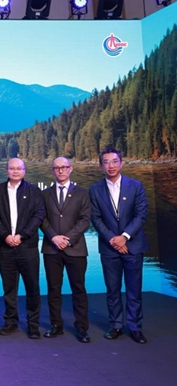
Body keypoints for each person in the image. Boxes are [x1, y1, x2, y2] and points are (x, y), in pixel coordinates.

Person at [89, 147, 148, 344]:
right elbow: (96, 219)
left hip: (133, 246)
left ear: (121, 163)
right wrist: (113, 240)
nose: (111, 166)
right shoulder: (94, 190)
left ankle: (135, 327)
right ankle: (115, 325)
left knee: (134, 290)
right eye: (106, 162)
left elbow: (141, 215)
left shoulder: (136, 186)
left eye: (114, 161)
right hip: (109, 248)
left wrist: (124, 237)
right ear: (101, 166)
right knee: (112, 289)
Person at [41, 157, 91, 343]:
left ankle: (82, 328)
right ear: (52, 171)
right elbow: (42, 218)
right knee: (53, 289)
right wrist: (54, 237)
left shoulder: (82, 193)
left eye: (64, 167)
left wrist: (68, 239)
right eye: (57, 168)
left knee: (78, 289)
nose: (60, 170)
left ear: (71, 169)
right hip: (51, 248)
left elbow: (85, 219)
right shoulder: (45, 194)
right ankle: (56, 325)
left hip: (75, 249)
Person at [0, 158, 45, 339]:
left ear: (24, 170)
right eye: (12, 168)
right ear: (6, 170)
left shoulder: (34, 190)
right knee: (9, 289)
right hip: (6, 247)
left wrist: (22, 235)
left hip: (27, 247)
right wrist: (5, 235)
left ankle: (33, 325)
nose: (15, 171)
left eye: (19, 168)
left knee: (32, 288)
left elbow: (38, 215)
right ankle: (11, 322)